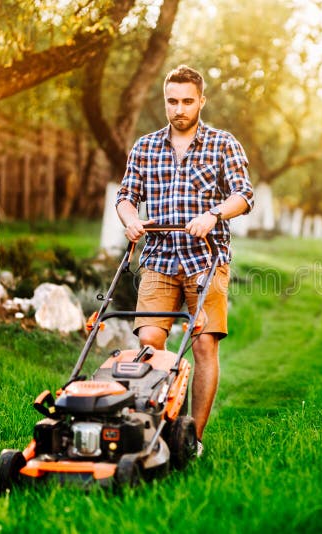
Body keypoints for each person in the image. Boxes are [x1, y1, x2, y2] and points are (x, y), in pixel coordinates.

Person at [115, 65, 254, 457]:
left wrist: (214, 215)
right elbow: (126, 196)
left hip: (205, 260)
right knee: (149, 345)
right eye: (172, 101)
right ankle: (151, 427)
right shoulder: (145, 147)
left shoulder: (223, 144)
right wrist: (130, 221)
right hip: (158, 257)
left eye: (187, 101)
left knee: (204, 343)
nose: (179, 108)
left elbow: (244, 195)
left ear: (201, 101)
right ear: (165, 101)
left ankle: (191, 439)